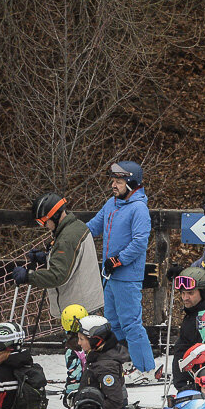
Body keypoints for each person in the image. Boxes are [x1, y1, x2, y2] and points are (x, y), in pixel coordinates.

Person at [84, 162, 154, 381]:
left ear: (131, 183)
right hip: (110, 276)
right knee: (112, 324)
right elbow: (92, 227)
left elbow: (140, 241)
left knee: (131, 323)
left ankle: (146, 369)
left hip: (127, 275)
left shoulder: (139, 208)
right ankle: (121, 362)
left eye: (118, 181)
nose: (113, 185)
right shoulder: (111, 204)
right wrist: (68, 233)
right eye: (113, 180)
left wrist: (118, 260)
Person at [15, 193, 104, 323]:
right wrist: (47, 258)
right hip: (85, 303)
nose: (44, 226)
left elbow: (58, 276)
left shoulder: (67, 238)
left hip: (78, 309)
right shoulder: (76, 226)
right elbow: (72, 261)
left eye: (43, 221)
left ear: (55, 216)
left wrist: (28, 276)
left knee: (78, 342)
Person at [75, 315, 129, 409]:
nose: (79, 343)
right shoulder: (96, 357)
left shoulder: (106, 366)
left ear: (95, 340)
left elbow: (115, 400)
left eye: (82, 339)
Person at [170, 267, 205, 388]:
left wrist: (192, 385)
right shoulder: (194, 311)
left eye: (191, 293)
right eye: (182, 293)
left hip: (200, 385)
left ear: (203, 292)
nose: (185, 298)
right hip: (187, 381)